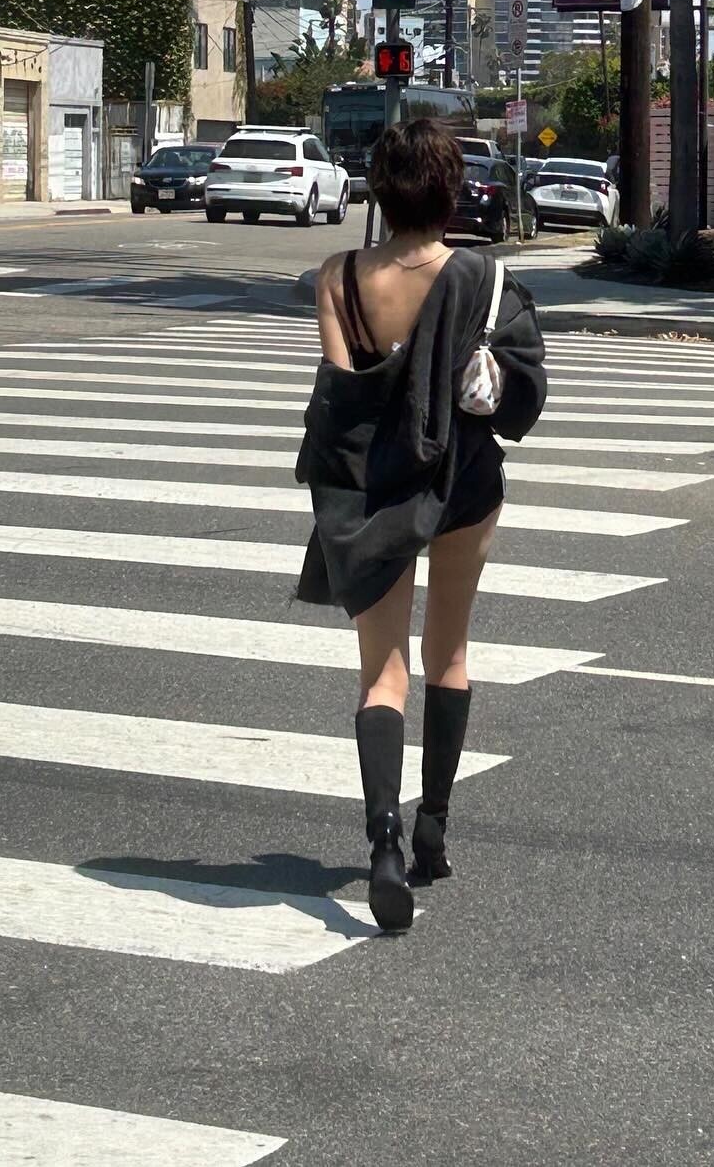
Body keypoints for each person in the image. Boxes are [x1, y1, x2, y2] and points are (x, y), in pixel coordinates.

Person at [296, 119, 547, 931]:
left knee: (382, 675)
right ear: (449, 192)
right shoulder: (482, 277)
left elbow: (343, 402)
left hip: (375, 493)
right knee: (451, 655)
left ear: (380, 190)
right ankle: (434, 828)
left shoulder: (338, 277)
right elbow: (524, 393)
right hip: (464, 481)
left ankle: (384, 842)